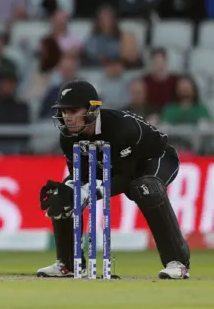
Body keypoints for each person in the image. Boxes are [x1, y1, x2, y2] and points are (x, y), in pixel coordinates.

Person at [38, 80, 190, 280]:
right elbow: (81, 177)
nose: (68, 118)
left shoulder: (120, 128)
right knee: (64, 194)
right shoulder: (67, 137)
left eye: (73, 111)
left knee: (145, 188)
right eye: (64, 111)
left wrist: (92, 192)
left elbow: (126, 178)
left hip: (154, 159)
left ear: (92, 110)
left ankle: (177, 262)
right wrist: (73, 191)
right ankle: (69, 264)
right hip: (112, 166)